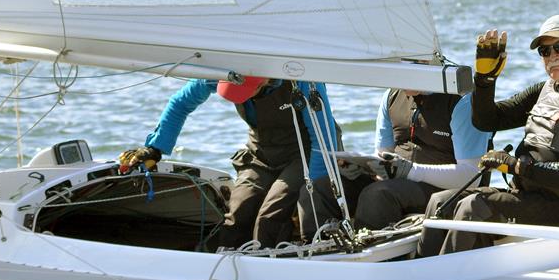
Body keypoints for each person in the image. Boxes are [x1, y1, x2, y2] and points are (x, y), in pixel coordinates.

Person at [426, 14, 559, 254]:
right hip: (529, 199)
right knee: (440, 203)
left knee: (475, 207)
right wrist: (485, 79)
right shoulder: (544, 90)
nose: (553, 56)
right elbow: (486, 120)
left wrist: (519, 167)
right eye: (545, 51)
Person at [118, 76, 338, 248]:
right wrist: (155, 147)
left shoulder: (301, 79)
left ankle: (273, 265)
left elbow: (324, 140)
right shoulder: (223, 71)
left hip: (308, 150)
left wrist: (316, 191)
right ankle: (227, 266)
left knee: (270, 214)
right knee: (238, 212)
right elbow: (180, 103)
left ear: (263, 80)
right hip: (262, 153)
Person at [298, 87, 492, 240]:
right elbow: (383, 157)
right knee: (318, 190)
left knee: (377, 194)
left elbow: (471, 177)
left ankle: (367, 255)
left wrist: (411, 171)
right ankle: (317, 250)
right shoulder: (391, 96)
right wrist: (360, 168)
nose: (399, 83)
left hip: (442, 188)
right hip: (399, 180)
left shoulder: (461, 101)